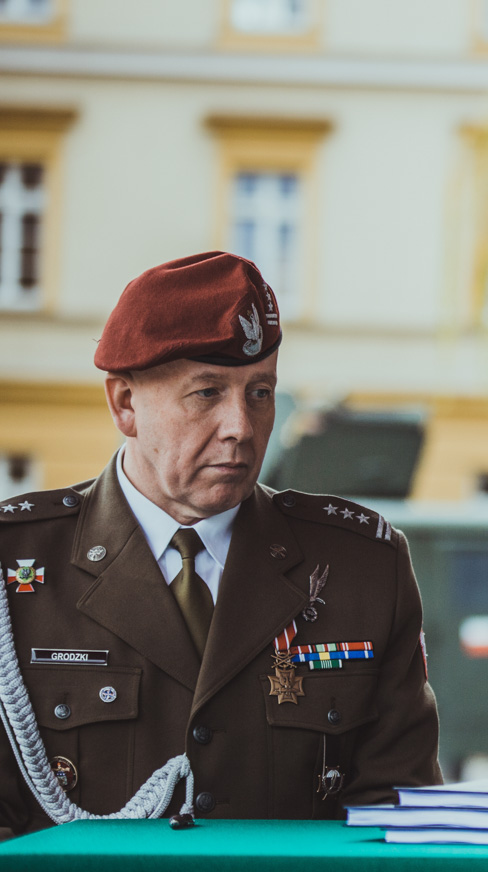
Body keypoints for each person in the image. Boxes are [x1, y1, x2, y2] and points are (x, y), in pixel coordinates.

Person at [0, 251, 441, 836]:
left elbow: (397, 815)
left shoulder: (362, 567)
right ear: (125, 404)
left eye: (260, 393)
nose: (241, 426)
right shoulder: (18, 565)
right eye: (207, 393)